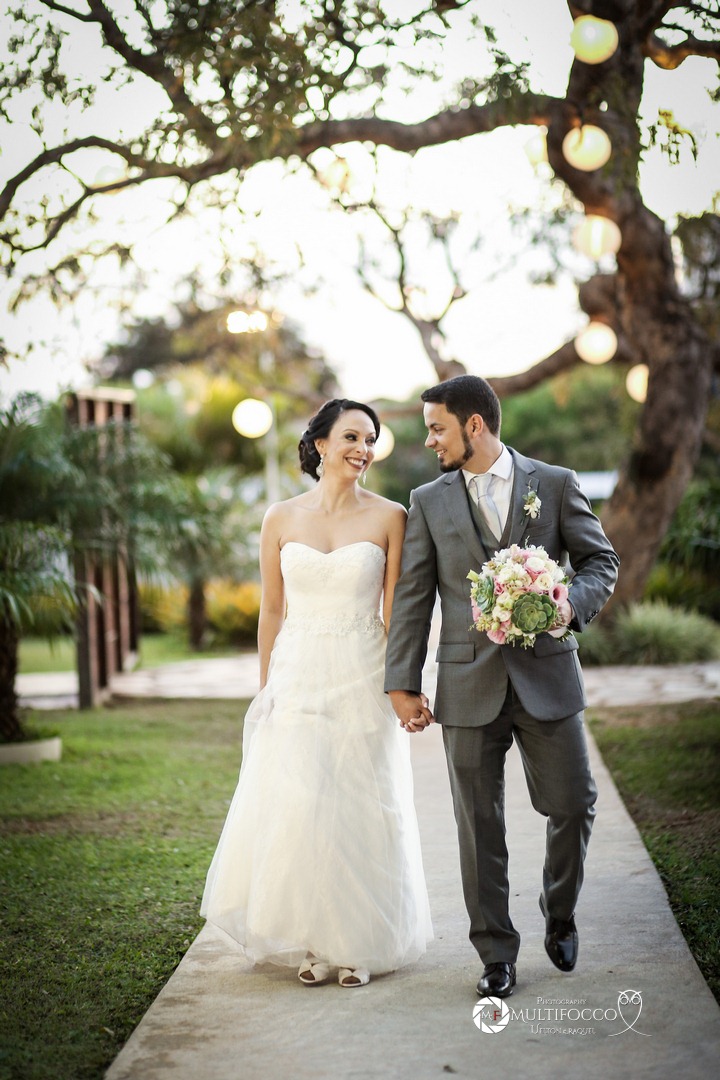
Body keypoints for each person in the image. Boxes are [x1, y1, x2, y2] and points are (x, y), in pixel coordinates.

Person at [384, 375, 619, 999]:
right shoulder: (427, 501)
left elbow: (601, 561)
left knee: (574, 803)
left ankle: (559, 911)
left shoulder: (556, 484)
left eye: (437, 428)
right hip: (467, 682)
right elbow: (413, 597)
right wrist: (403, 681)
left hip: (548, 674)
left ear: (475, 425)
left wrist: (568, 604)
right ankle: (495, 953)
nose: (430, 441)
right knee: (478, 825)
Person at [201, 398, 432, 989]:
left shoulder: (391, 516)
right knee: (304, 804)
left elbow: (397, 612)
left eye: (370, 439)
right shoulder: (280, 517)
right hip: (299, 674)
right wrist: (267, 688)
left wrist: (404, 685)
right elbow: (271, 610)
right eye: (351, 436)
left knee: (363, 803)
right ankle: (313, 941)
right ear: (321, 444)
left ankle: (358, 944)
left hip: (364, 671)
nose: (363, 448)